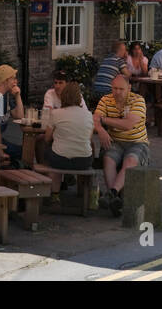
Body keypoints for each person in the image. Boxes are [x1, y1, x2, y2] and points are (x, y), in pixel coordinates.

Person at [93, 73, 148, 215]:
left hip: (137, 142)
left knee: (130, 160)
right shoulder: (106, 99)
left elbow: (128, 125)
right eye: (114, 88)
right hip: (115, 141)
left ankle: (111, 193)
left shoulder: (138, 100)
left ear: (129, 88)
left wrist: (104, 120)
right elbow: (94, 119)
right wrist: (100, 130)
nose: (117, 92)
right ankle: (114, 199)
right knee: (108, 158)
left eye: (121, 89)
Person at [42, 81, 94, 199]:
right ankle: (80, 191)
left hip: (59, 160)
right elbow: (89, 138)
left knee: (50, 153)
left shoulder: (56, 113)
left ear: (64, 96)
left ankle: (54, 194)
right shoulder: (89, 115)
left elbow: (47, 138)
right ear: (79, 97)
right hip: (84, 161)